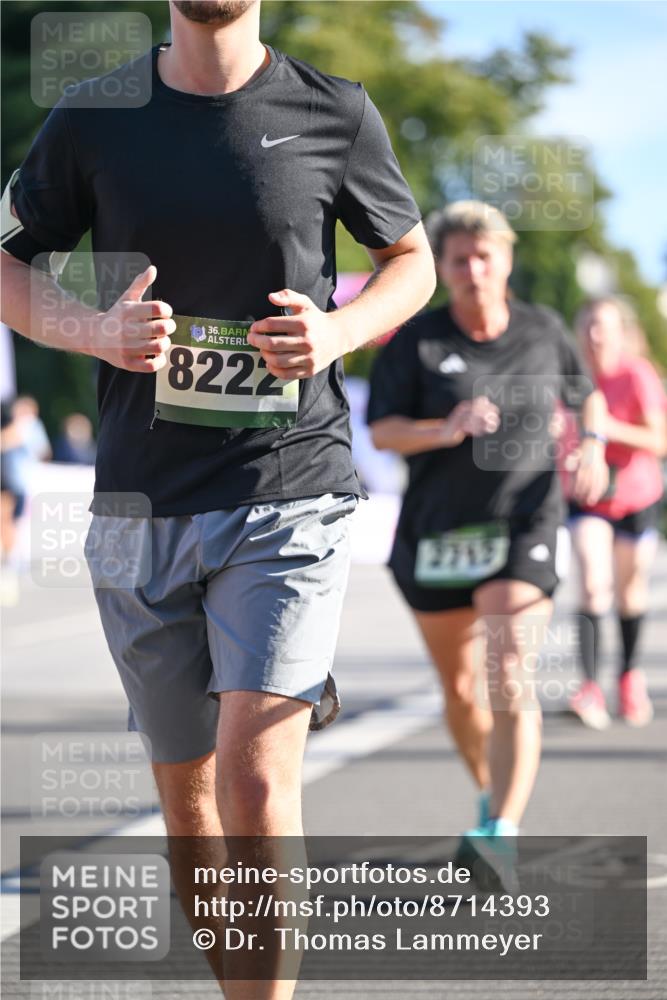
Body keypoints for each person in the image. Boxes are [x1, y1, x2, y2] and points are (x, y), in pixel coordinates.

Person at [1, 1, 435, 994]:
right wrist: (94, 332)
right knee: (191, 811)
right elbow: (6, 261)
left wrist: (338, 331)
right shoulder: (96, 114)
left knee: (253, 781)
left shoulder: (334, 110)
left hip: (289, 487)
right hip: (141, 502)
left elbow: (407, 261)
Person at [367, 201, 608, 877]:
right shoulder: (417, 340)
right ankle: (488, 790)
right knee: (462, 690)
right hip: (437, 532)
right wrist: (445, 427)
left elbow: (585, 393)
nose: (473, 269)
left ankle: (500, 829)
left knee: (508, 672)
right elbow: (383, 431)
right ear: (440, 268)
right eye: (458, 259)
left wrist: (591, 442)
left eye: (484, 256)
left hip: (523, 524)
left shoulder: (543, 329)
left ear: (505, 261)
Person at [567, 297, 667, 729]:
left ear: (620, 332)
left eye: (603, 326)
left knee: (629, 592)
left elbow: (659, 441)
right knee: (592, 584)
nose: (595, 334)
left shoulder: (636, 374)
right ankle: (589, 686)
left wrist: (606, 429)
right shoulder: (571, 379)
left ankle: (628, 677)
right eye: (588, 325)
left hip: (637, 497)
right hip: (588, 498)